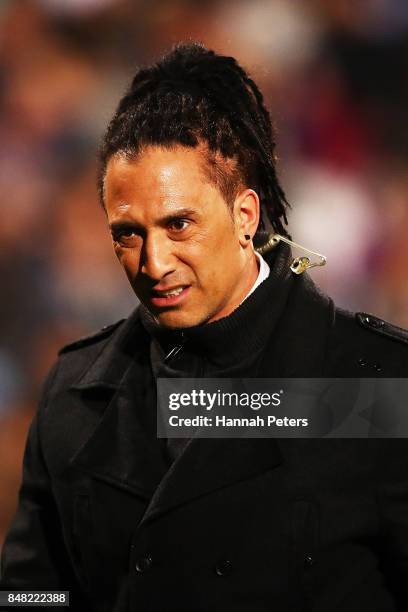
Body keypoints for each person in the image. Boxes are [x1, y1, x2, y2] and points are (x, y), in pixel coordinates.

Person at [1, 43, 408, 612]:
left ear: (245, 215)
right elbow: (32, 591)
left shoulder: (382, 387)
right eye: (128, 233)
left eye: (179, 224)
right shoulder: (74, 393)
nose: (155, 262)